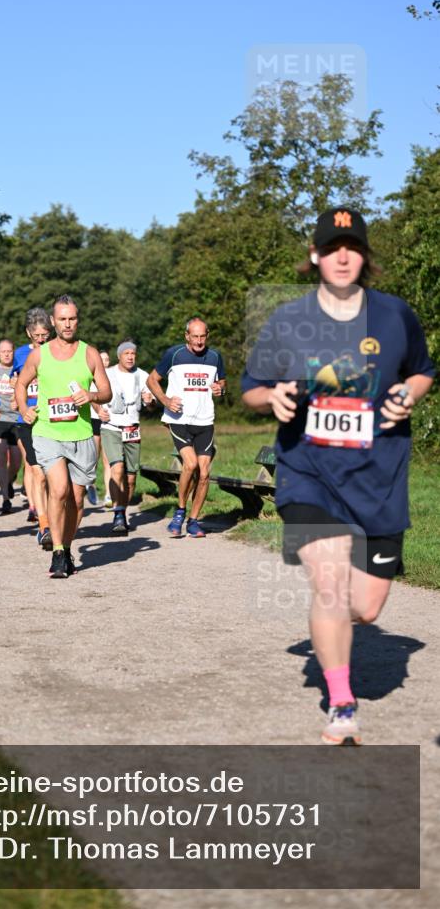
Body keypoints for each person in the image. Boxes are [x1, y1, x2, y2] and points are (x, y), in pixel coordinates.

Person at [241, 206, 435, 745]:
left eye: (351, 246)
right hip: (309, 472)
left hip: (378, 479)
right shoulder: (288, 321)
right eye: (331, 247)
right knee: (327, 584)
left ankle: (336, 632)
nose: (342, 255)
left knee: (365, 609)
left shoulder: (395, 315)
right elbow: (252, 385)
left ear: (365, 256)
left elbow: (423, 370)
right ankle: (342, 703)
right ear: (315, 256)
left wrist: (408, 394)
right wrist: (272, 396)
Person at [15, 295, 112, 578]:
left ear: (77, 320)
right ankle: (57, 551)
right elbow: (21, 384)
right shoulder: (39, 354)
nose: (67, 324)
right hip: (48, 432)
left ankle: (67, 547)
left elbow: (107, 392)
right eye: (62, 319)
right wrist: (24, 409)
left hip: (81, 435)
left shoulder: (89, 353)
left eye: (72, 319)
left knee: (77, 500)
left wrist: (91, 394)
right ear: (53, 321)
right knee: (58, 490)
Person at [147, 317, 226, 538]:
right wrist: (165, 401)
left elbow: (222, 382)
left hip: (205, 421)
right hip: (179, 419)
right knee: (190, 465)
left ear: (207, 335)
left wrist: (220, 388)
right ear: (187, 336)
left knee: (204, 473)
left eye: (203, 336)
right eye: (195, 336)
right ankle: (180, 511)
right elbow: (152, 380)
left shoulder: (215, 357)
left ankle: (193, 520)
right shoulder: (174, 354)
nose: (199, 341)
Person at [99, 341, 155, 535]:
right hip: (111, 427)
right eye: (126, 354)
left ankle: (123, 509)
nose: (130, 357)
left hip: (132, 427)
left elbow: (151, 403)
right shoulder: (107, 374)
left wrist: (149, 402)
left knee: (131, 478)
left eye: (133, 353)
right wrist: (99, 411)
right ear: (119, 356)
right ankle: (118, 513)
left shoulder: (143, 376)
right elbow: (93, 396)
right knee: (117, 468)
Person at [12, 308, 52, 546]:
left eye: (45, 334)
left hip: (53, 420)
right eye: (36, 334)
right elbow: (16, 384)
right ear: (28, 333)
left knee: (53, 475)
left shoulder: (57, 352)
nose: (41, 339)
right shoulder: (20, 355)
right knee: (38, 472)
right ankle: (44, 525)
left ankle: (54, 517)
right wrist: (21, 406)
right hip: (28, 421)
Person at [0, 338, 23, 514]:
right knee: (1, 456)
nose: (7, 354)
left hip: (17, 419)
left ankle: (9, 481)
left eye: (10, 351)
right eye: (3, 351)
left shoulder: (20, 370)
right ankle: (5, 499)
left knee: (17, 460)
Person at [86, 350, 112, 507]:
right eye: (101, 359)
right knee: (94, 457)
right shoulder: (91, 376)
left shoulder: (114, 375)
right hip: (94, 419)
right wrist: (98, 410)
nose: (104, 362)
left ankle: (109, 495)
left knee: (108, 459)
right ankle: (91, 484)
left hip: (110, 421)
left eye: (107, 359)